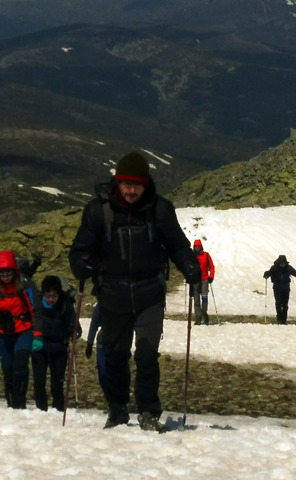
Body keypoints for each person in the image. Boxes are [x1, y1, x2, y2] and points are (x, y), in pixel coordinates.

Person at [69, 152, 201, 431]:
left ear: (146, 184)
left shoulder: (160, 210)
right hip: (112, 294)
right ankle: (117, 409)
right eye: (127, 184)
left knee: (146, 354)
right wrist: (80, 264)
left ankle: (149, 411)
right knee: (116, 355)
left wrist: (189, 264)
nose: (131, 190)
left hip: (149, 293)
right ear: (117, 182)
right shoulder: (98, 211)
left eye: (137, 185)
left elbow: (177, 245)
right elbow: (81, 249)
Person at [0, 251, 42, 409]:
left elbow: (36, 310)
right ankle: (11, 404)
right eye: (2, 274)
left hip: (23, 330)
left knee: (20, 366)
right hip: (1, 333)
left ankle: (20, 404)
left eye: (9, 274)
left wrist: (38, 336)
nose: (6, 278)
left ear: (14, 270)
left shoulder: (25, 283)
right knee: (8, 370)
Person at [33, 275, 80, 412]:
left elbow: (74, 325)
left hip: (59, 348)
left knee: (57, 384)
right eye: (48, 296)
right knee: (39, 382)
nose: (51, 299)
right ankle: (41, 410)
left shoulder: (65, 304)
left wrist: (74, 333)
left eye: (54, 296)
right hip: (40, 347)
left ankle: (58, 411)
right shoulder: (36, 304)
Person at [263, 255, 296, 325]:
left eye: (283, 263)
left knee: (285, 304)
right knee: (278, 303)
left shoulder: (288, 268)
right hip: (277, 288)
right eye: (281, 264)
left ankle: (284, 319)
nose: (282, 265)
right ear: (279, 263)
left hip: (286, 289)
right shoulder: (274, 268)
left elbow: (295, 273)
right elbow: (269, 273)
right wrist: (266, 274)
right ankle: (279, 318)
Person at [191, 239, 215, 325]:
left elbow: (212, 267)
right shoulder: (192, 256)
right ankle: (198, 317)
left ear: (201, 246)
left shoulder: (206, 255)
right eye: (195, 246)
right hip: (195, 280)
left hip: (204, 279)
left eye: (198, 246)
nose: (197, 247)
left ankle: (204, 312)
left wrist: (211, 276)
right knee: (196, 299)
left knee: (204, 298)